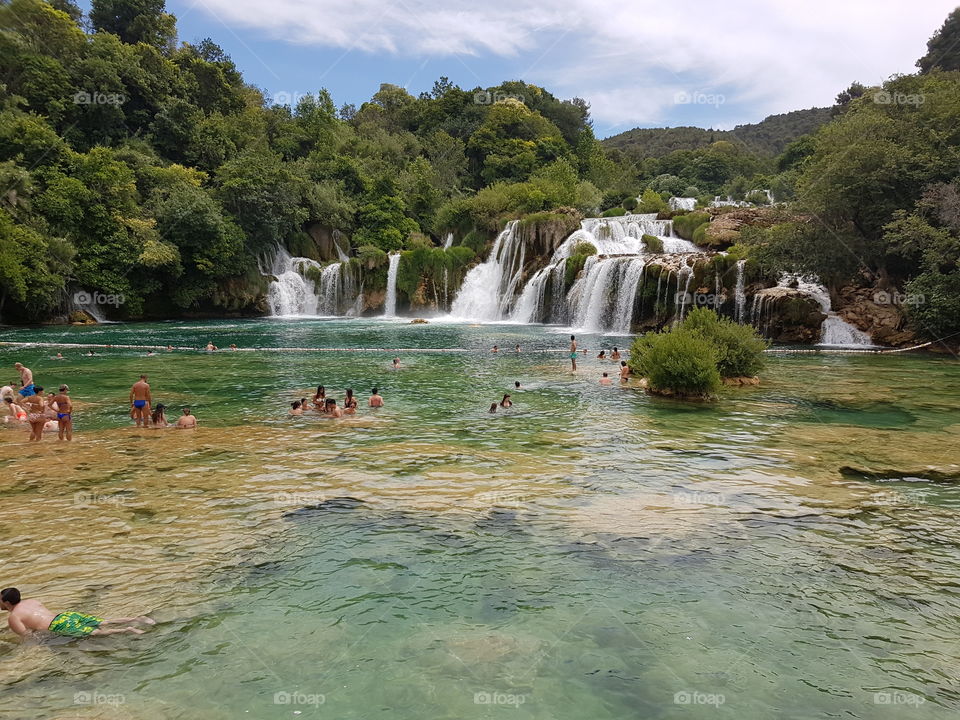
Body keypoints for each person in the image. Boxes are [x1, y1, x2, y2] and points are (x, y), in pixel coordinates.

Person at [1, 587, 154, 638]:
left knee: (95, 633)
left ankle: (128, 629)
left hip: (58, 624)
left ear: (7, 603)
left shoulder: (14, 617)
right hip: (66, 615)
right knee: (103, 621)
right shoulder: (32, 601)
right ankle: (136, 618)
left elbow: (29, 637)